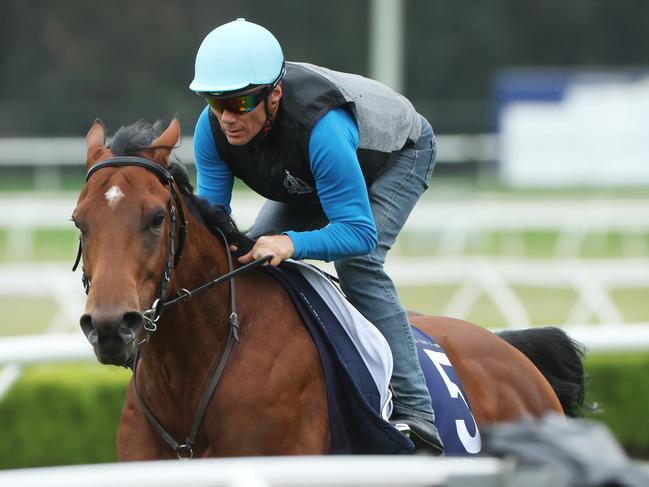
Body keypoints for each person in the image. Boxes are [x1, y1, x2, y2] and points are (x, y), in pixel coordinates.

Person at [189, 18, 442, 453]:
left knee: (357, 264)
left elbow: (359, 232)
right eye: (215, 101)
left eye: (240, 102)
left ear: (275, 94)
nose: (227, 117)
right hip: (309, 173)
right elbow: (215, 220)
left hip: (399, 155)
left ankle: (417, 413)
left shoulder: (322, 129)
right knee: (249, 258)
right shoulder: (210, 130)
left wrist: (293, 243)